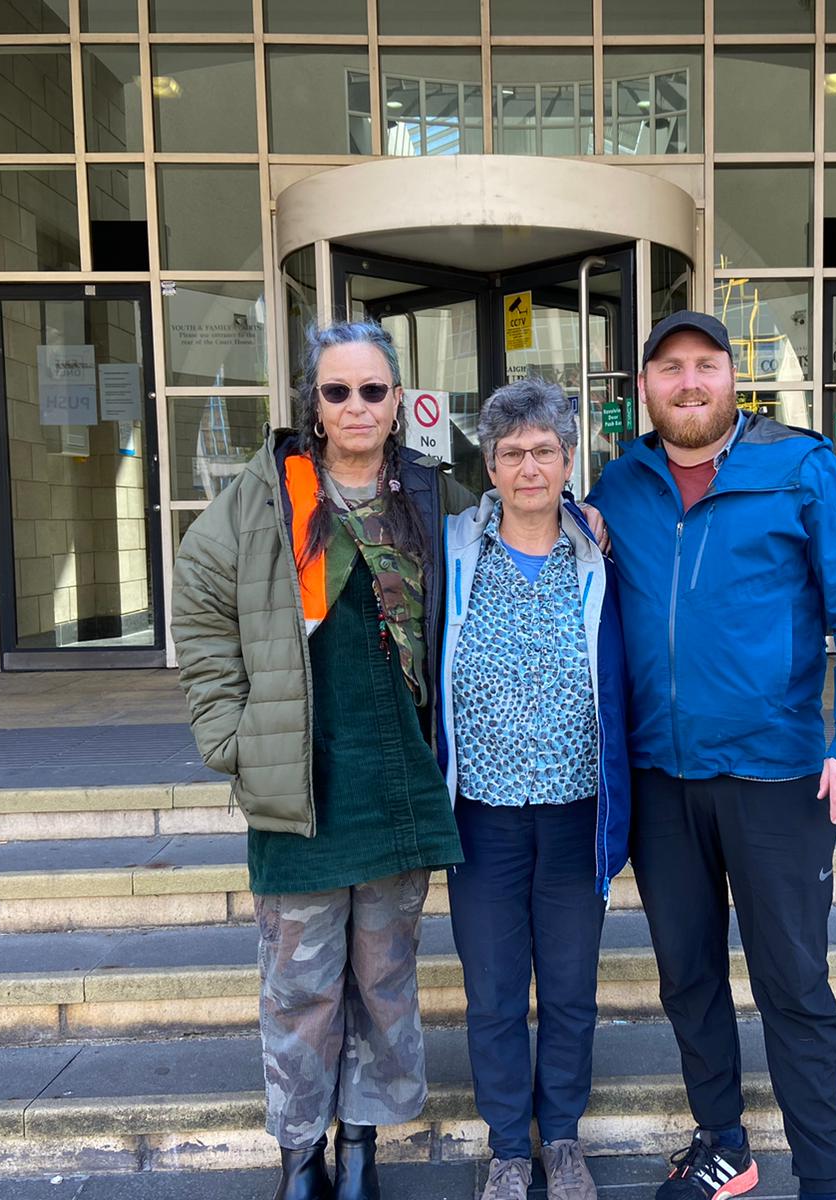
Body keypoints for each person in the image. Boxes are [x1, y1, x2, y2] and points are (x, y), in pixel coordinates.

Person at [587, 311, 836, 1200]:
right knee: (688, 976)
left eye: (706, 366)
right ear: (644, 388)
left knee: (794, 983)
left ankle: (824, 1177)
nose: (689, 383)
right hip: (659, 777)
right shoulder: (620, 487)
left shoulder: (801, 470)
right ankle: (723, 1143)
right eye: (670, 368)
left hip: (775, 777)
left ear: (734, 379)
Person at [171, 320, 474, 1200]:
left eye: (371, 390)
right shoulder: (264, 494)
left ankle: (364, 1150)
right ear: (313, 400)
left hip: (394, 781)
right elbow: (199, 607)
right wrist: (229, 736)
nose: (354, 406)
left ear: (396, 400)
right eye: (336, 391)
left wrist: (582, 518)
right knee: (300, 987)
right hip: (298, 784)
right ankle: (300, 1155)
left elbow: (509, 541)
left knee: (383, 982)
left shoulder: (431, 491)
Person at [438, 378, 630, 1200]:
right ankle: (509, 1147)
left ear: (569, 459)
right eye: (511, 452)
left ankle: (563, 1138)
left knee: (570, 988)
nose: (528, 467)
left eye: (544, 451)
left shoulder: (597, 551)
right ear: (489, 462)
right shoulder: (453, 547)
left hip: (574, 811)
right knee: (491, 991)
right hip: (480, 814)